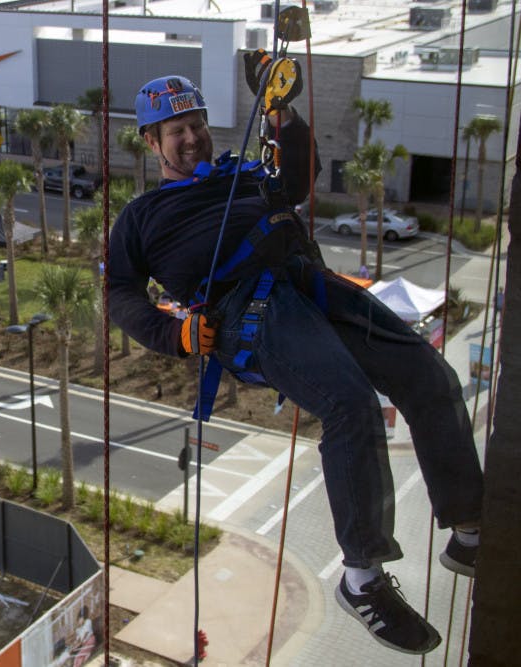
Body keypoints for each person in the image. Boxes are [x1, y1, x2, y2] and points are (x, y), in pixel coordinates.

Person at [108, 74, 485, 655]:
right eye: (178, 130)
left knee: (431, 376)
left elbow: (298, 179)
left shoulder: (246, 175)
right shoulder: (143, 217)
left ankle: (468, 529)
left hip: (308, 286)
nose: (193, 138)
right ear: (152, 142)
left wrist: (286, 116)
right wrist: (176, 334)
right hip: (247, 310)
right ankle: (361, 578)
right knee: (350, 405)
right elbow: (120, 293)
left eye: (198, 125)